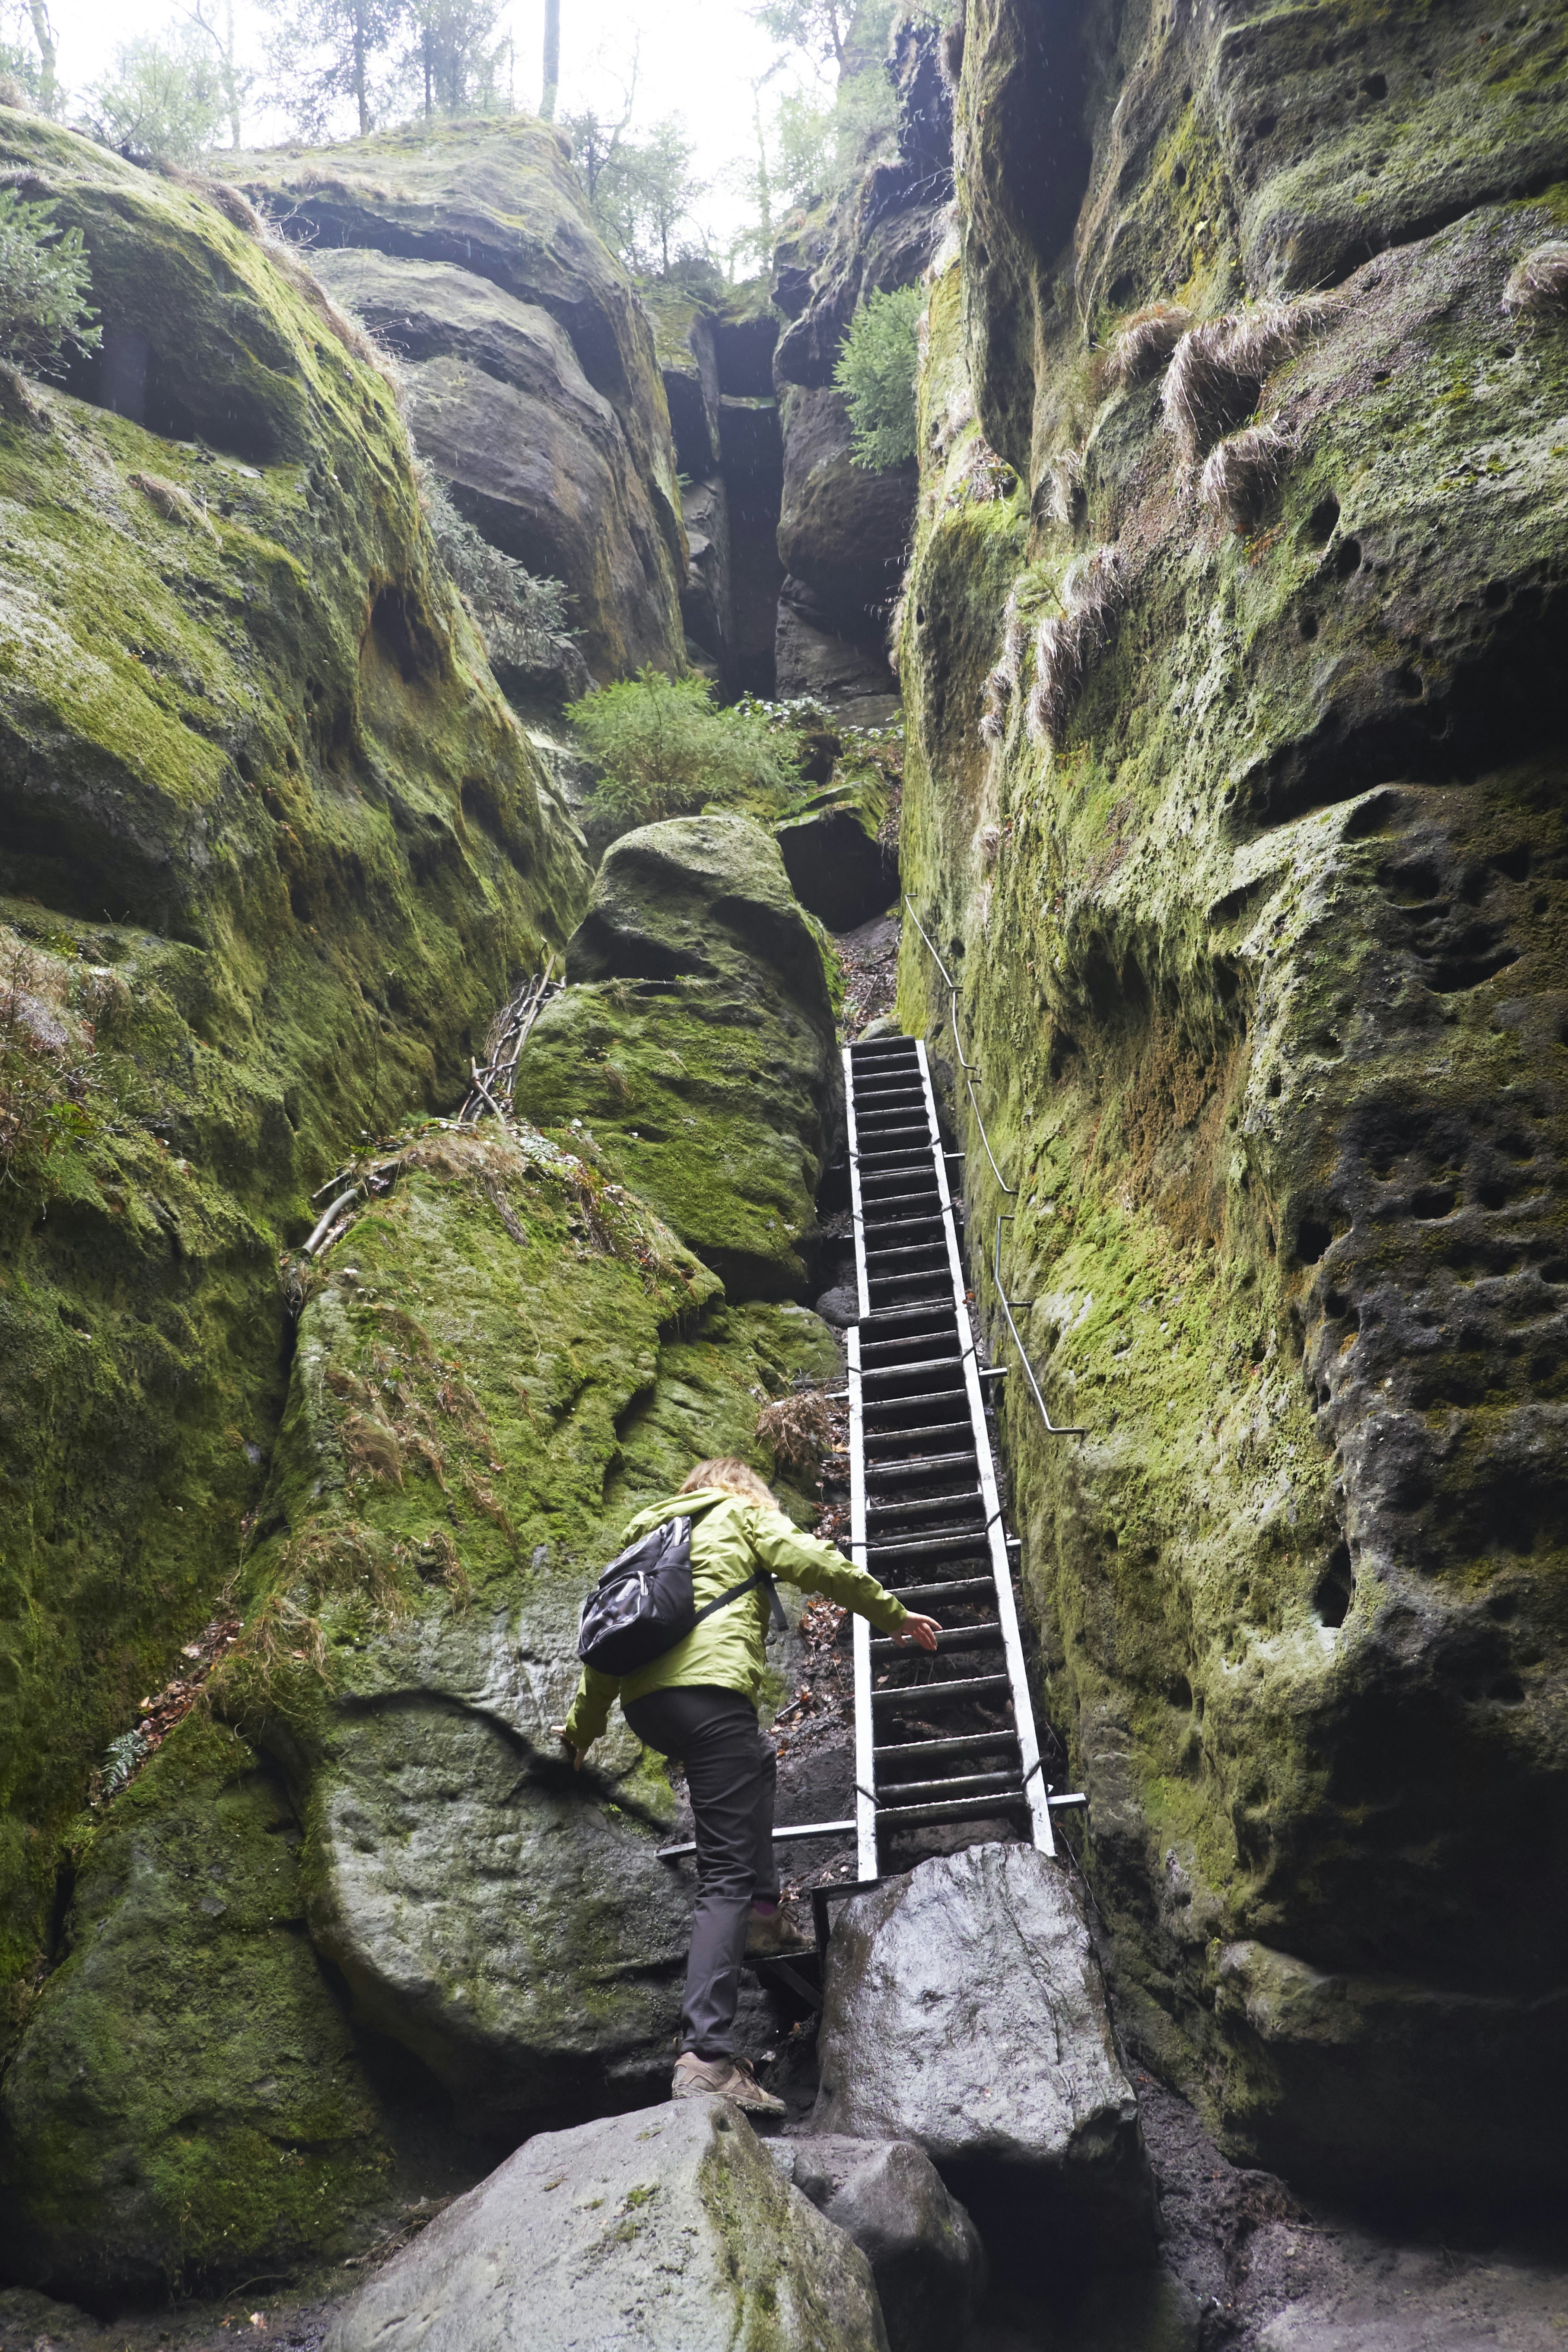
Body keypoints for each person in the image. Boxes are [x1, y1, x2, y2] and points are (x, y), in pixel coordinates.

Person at [553, 1455, 940, 2116]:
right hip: (710, 1700)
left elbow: (607, 1651)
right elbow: (816, 1563)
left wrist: (580, 1733)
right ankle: (706, 2058)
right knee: (723, 1876)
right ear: (746, 1490)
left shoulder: (649, 1539)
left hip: (652, 1710)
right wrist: (891, 1614)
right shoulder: (741, 1515)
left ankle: (763, 1920)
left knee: (757, 1759)